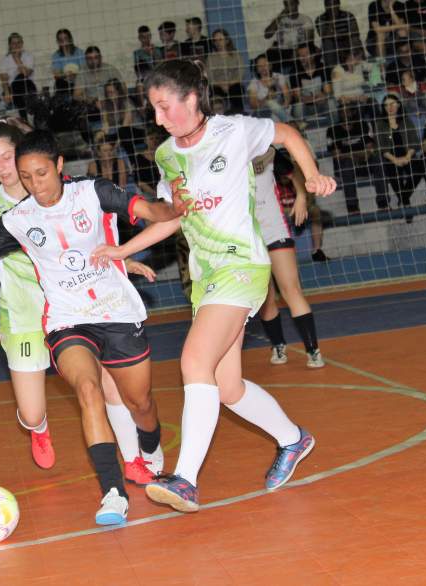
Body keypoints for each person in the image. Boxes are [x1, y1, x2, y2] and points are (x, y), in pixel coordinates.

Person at [95, 60, 333, 512]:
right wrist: (124, 251)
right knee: (226, 386)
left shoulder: (234, 131)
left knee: (194, 360)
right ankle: (293, 439)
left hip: (242, 267)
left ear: (191, 99)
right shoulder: (167, 156)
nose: (159, 118)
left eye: (165, 107)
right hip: (206, 279)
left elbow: (286, 134)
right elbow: (173, 217)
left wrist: (311, 174)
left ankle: (184, 478)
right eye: (154, 110)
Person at [0, 129, 181, 525]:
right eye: (26, 177)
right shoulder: (18, 219)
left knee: (140, 404)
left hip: (116, 312)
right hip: (66, 321)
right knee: (88, 389)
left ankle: (150, 448)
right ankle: (113, 492)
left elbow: (148, 210)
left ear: (59, 166)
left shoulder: (93, 192)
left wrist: (171, 207)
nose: (34, 185)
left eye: (41, 174)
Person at [252, 148, 325, 367]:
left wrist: (301, 196)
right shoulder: (221, 156)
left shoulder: (267, 151)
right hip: (246, 235)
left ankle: (313, 350)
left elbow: (295, 174)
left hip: (274, 228)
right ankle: (278, 345)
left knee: (291, 289)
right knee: (264, 297)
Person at [327, 102, 383, 214]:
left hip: (364, 163)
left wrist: (354, 155)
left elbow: (370, 149)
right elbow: (337, 155)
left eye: (347, 111)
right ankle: (352, 207)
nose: (344, 114)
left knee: (378, 159)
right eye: (341, 112)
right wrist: (355, 155)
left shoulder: (363, 125)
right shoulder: (332, 130)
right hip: (345, 168)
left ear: (353, 112)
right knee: (347, 163)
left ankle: (383, 203)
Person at [374, 93, 424, 209]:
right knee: (392, 170)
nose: (389, 107)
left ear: (399, 105)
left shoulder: (406, 121)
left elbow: (415, 141)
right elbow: (381, 146)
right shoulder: (380, 124)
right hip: (390, 156)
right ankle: (405, 203)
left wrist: (407, 157)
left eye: (392, 104)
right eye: (386, 105)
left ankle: (403, 199)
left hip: (407, 154)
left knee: (419, 168)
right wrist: (395, 159)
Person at [264, 0, 315, 75]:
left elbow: (310, 40)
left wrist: (298, 51)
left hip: (299, 49)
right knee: (269, 54)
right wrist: (281, 15)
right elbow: (267, 35)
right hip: (282, 50)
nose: (289, 7)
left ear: (297, 3)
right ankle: (277, 79)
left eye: (291, 3)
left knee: (307, 52)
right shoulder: (279, 19)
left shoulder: (305, 19)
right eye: (286, 4)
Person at [207, 29, 246, 115]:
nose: (217, 43)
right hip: (217, 86)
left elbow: (241, 73)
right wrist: (221, 84)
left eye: (220, 39)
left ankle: (239, 114)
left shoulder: (236, 55)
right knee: (214, 93)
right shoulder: (211, 58)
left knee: (236, 90)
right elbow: (209, 77)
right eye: (215, 40)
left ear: (227, 40)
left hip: (234, 84)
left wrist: (229, 83)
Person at [316, 0, 363, 70]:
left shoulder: (348, 15)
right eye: (329, 5)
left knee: (355, 40)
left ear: (338, 4)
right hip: (332, 46)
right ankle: (332, 70)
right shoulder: (320, 19)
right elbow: (324, 36)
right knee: (327, 42)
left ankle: (353, 62)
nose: (332, 7)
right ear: (325, 6)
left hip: (347, 43)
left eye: (334, 4)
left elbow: (354, 33)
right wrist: (332, 20)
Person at [0, 33, 37, 119]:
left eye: (18, 42)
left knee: (21, 77)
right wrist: (6, 93)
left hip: (28, 86)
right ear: (10, 45)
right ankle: (24, 117)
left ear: (22, 44)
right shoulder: (5, 60)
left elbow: (26, 74)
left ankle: (25, 117)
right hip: (13, 89)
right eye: (13, 43)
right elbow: (3, 79)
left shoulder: (28, 56)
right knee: (17, 83)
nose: (16, 45)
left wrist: (16, 58)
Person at [291, 43, 332, 121]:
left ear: (313, 55)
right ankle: (299, 131)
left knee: (331, 102)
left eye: (305, 54)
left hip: (322, 104)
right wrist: (315, 98)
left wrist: (322, 96)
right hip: (306, 107)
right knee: (298, 106)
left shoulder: (323, 67)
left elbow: (328, 91)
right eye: (300, 55)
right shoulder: (295, 71)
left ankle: (335, 128)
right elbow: (298, 97)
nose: (302, 58)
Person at [248, 54, 293, 122]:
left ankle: (289, 122)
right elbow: (253, 105)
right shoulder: (254, 83)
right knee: (270, 102)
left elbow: (287, 95)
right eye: (260, 66)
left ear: (270, 65)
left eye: (265, 65)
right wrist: (266, 99)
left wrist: (284, 106)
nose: (263, 68)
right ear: (256, 69)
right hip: (263, 112)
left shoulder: (279, 76)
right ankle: (293, 123)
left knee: (275, 115)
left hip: (280, 109)